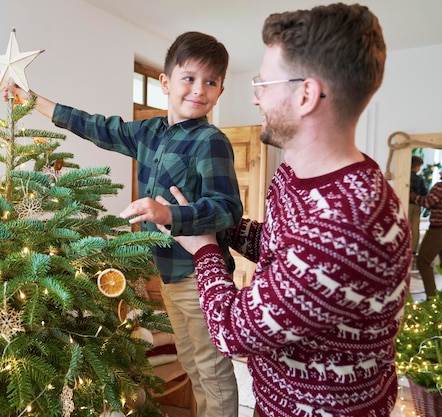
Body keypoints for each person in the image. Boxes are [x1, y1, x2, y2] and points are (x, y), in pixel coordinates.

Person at [145, 4, 411, 417]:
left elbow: (233, 332)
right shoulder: (293, 175)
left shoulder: (347, 222)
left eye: (263, 83)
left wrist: (202, 246)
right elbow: (280, 247)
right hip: (277, 400)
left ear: (305, 94)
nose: (255, 97)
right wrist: (210, 219)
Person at [5, 31, 243, 417]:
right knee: (194, 368)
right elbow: (96, 126)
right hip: (167, 275)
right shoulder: (148, 132)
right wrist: (33, 102)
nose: (199, 90)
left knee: (212, 374)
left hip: (200, 277)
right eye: (189, 78)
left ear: (220, 90)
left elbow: (227, 208)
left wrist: (169, 215)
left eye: (211, 82)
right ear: (166, 83)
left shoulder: (210, 141)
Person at [412, 173, 442, 298]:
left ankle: (432, 298)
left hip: (438, 229)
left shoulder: (440, 187)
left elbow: (428, 202)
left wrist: (412, 196)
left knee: (423, 261)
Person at [409, 155, 427, 253]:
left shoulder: (405, 176)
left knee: (405, 226)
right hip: (416, 205)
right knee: (415, 229)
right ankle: (414, 250)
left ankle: (405, 247)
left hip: (406, 204)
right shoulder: (420, 179)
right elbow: (424, 193)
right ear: (416, 166)